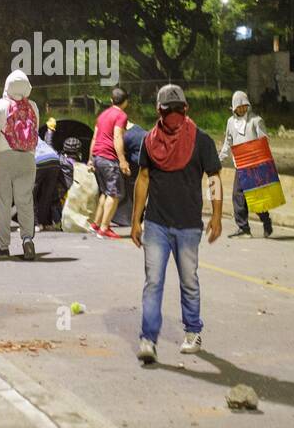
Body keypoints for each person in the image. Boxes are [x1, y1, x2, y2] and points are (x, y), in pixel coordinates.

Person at [130, 84, 224, 365]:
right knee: (153, 282)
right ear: (159, 112)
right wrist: (136, 219)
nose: (173, 115)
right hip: (156, 223)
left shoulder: (201, 141)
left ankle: (193, 331)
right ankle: (148, 339)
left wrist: (217, 216)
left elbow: (214, 178)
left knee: (189, 281)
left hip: (188, 225)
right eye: (167, 110)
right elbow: (143, 178)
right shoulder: (149, 141)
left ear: (186, 109)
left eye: (176, 110)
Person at [0, 69, 41, 260]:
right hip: (27, 159)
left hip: (4, 158)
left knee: (3, 202)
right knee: (25, 202)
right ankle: (27, 241)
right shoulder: (33, 106)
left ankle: (3, 246)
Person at [220, 90, 273, 238]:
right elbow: (227, 143)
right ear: (234, 107)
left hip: (254, 165)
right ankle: (243, 228)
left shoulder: (256, 120)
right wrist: (219, 159)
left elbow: (264, 141)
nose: (242, 108)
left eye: (244, 105)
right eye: (239, 106)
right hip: (240, 166)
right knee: (238, 196)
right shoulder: (230, 123)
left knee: (255, 199)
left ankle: (266, 221)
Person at [88, 86, 130, 238]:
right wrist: (123, 161)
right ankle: (104, 228)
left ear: (111, 100)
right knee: (114, 194)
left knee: (105, 192)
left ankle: (96, 224)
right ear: (125, 102)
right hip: (109, 158)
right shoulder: (121, 116)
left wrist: (91, 159)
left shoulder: (102, 115)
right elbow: (117, 137)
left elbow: (94, 137)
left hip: (98, 157)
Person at [33, 137, 63, 230]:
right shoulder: (33, 132)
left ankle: (34, 224)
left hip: (38, 161)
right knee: (46, 195)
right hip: (54, 159)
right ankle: (45, 223)